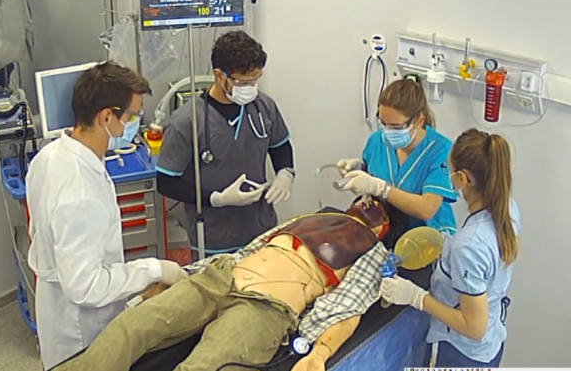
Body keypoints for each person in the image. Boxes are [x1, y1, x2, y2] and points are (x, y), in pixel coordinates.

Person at [51, 198, 407, 371]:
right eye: (365, 198)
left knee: (206, 366)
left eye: (377, 206)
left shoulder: (372, 251)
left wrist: (319, 353)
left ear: (382, 228)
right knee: (132, 326)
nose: (368, 203)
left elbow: (349, 305)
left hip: (265, 306)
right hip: (221, 276)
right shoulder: (311, 217)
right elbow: (249, 249)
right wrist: (185, 275)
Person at [26, 61, 188, 370]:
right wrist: (154, 269)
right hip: (82, 327)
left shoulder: (50, 156)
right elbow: (85, 286)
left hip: (58, 306)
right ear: (105, 117)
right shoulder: (80, 191)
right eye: (131, 117)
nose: (134, 126)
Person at [381, 129, 520, 367]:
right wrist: (449, 245)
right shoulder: (508, 208)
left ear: (463, 179)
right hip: (491, 344)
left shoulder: (469, 246)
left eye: (449, 170)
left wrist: (417, 297)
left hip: (459, 353)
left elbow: (474, 327)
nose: (447, 175)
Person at [156, 30, 295, 254]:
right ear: (219, 75)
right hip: (213, 236)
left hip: (261, 230)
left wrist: (285, 173)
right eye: (243, 82)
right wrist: (217, 199)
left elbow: (280, 146)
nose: (251, 87)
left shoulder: (263, 107)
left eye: (255, 80)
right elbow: (166, 181)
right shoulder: (188, 120)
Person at [337, 76, 458, 235]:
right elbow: (375, 172)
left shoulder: (441, 150)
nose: (387, 131)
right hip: (386, 230)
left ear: (419, 121)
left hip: (425, 237)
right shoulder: (376, 141)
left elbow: (427, 209)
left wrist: (381, 188)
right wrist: (359, 170)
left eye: (396, 126)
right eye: (383, 123)